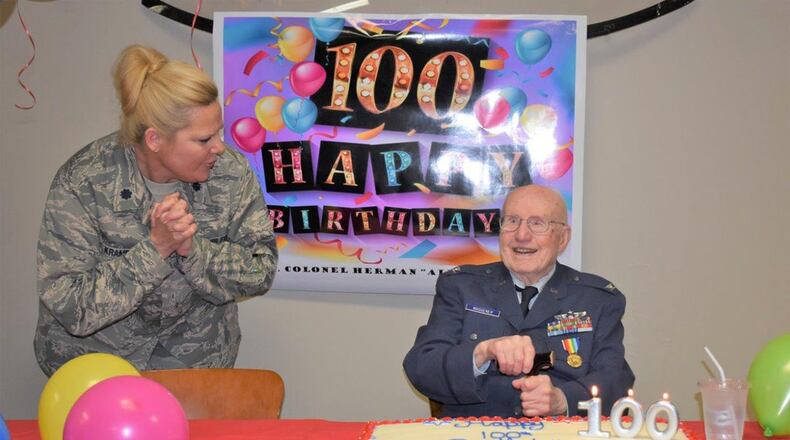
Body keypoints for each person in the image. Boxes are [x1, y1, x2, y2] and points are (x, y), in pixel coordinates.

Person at [34, 45, 278, 376]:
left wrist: (193, 250)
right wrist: (157, 249)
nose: (219, 147)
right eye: (204, 139)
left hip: (195, 365)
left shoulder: (230, 174)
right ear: (154, 139)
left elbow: (259, 271)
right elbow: (70, 305)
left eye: (218, 133)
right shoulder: (84, 181)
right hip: (97, 368)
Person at [403, 184, 634, 418]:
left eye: (537, 223)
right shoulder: (461, 286)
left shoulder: (597, 298)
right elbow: (421, 367)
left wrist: (563, 400)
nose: (522, 236)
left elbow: (616, 379)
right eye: (512, 221)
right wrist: (481, 353)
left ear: (563, 238)